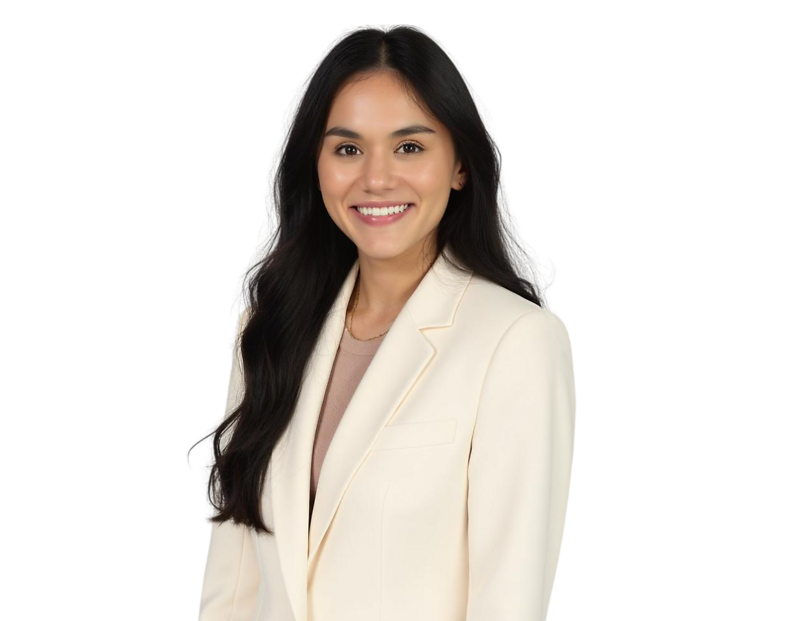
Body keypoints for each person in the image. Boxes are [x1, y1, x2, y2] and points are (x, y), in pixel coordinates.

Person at [190, 24, 577, 621]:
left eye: (409, 147)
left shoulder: (516, 341)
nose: (375, 179)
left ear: (460, 165)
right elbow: (231, 586)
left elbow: (510, 600)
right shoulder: (267, 326)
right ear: (316, 165)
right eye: (347, 149)